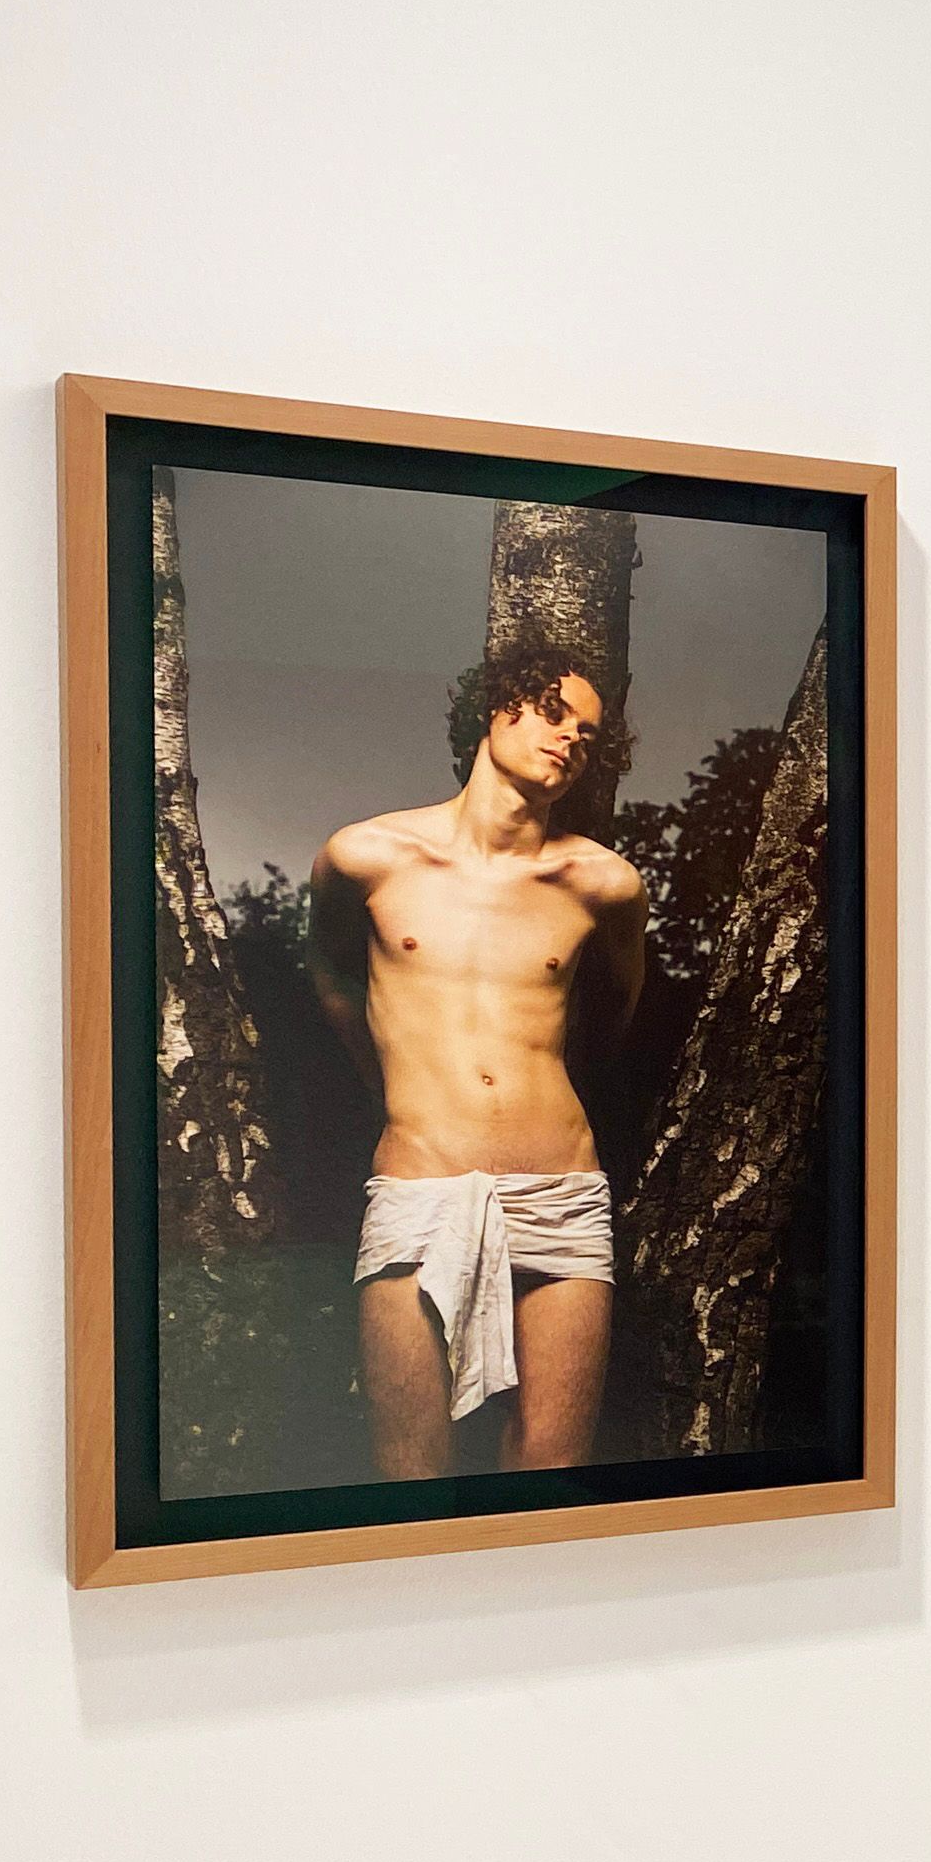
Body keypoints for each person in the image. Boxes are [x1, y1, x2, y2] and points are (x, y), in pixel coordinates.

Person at [308, 630, 647, 1478]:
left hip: (562, 1198)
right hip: (421, 1190)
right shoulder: (367, 857)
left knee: (548, 1480)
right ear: (495, 709)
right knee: (411, 1479)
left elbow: (615, 1023)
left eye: (587, 734)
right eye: (553, 712)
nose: (569, 738)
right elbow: (335, 985)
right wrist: (397, 1092)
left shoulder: (603, 884)